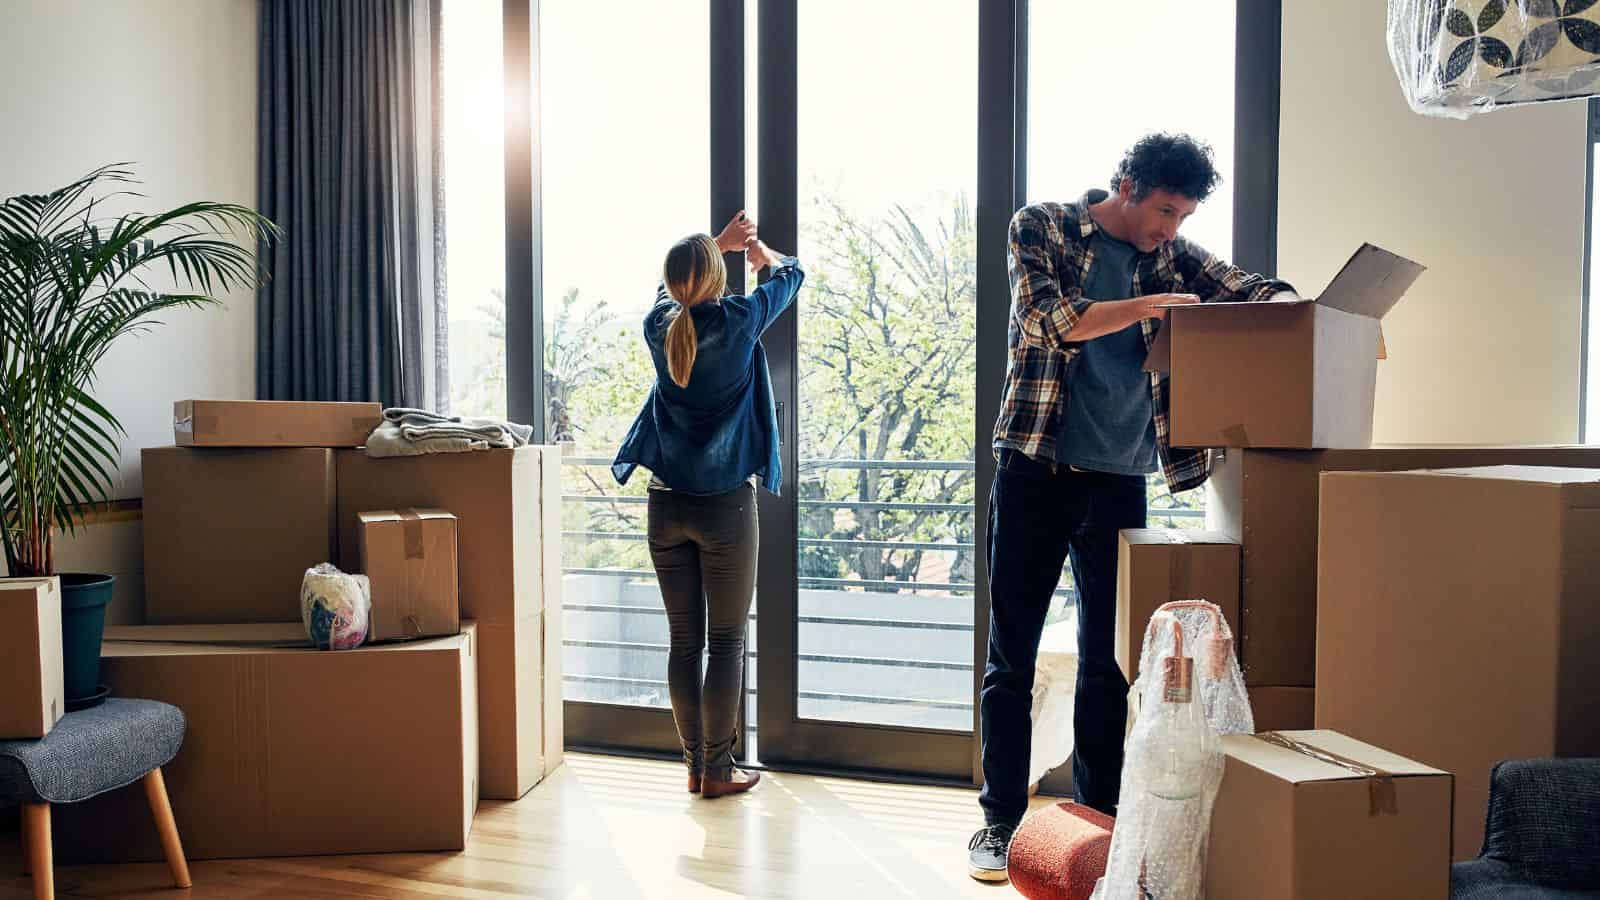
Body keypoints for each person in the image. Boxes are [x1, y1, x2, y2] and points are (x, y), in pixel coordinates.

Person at [967, 133, 1298, 882]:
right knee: (1010, 655)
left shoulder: (1175, 257)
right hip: (1035, 466)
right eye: (1163, 211)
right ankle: (999, 822)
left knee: (1107, 665)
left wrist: (1287, 306)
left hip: (1120, 479)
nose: (1170, 230)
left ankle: (1098, 824)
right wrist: (1150, 305)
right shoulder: (1042, 226)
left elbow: (1250, 289)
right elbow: (1050, 322)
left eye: (1182, 216)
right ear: (1126, 185)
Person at [612, 211, 804, 799]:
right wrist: (753, 252)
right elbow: (791, 275)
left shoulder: (658, 325)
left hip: (664, 507)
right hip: (722, 509)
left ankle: (695, 766)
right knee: (725, 643)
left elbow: (664, 295)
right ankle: (718, 772)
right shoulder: (740, 319)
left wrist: (710, 251)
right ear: (717, 281)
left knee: (683, 644)